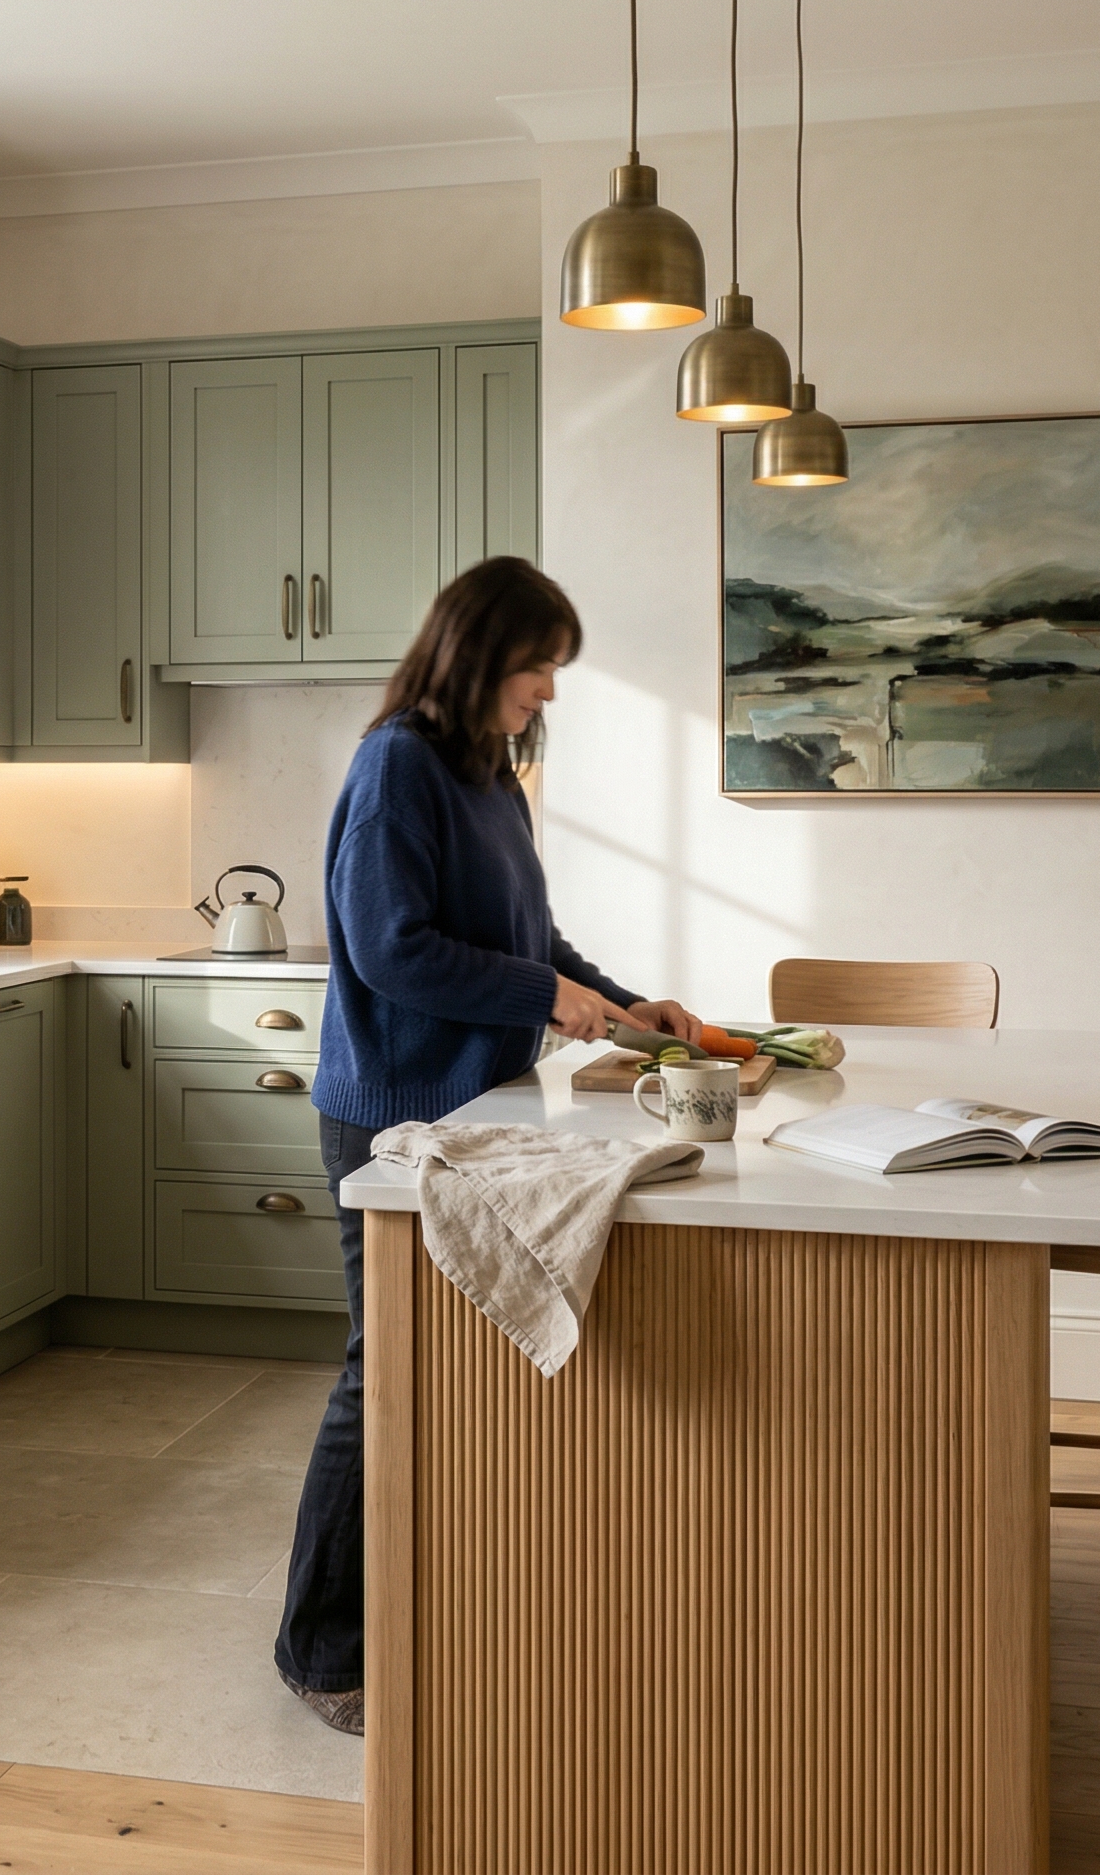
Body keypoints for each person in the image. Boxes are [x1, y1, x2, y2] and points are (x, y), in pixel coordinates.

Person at [273, 556, 703, 1735]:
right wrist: (545, 994)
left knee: (442, 1365)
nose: (548, 690)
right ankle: (319, 1650)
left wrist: (626, 1006)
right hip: (393, 1111)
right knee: (382, 1368)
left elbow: (531, 937)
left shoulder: (489, 774)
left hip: (471, 1111)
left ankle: (433, 1597)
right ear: (476, 656)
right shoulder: (396, 764)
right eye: (536, 665)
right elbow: (388, 947)